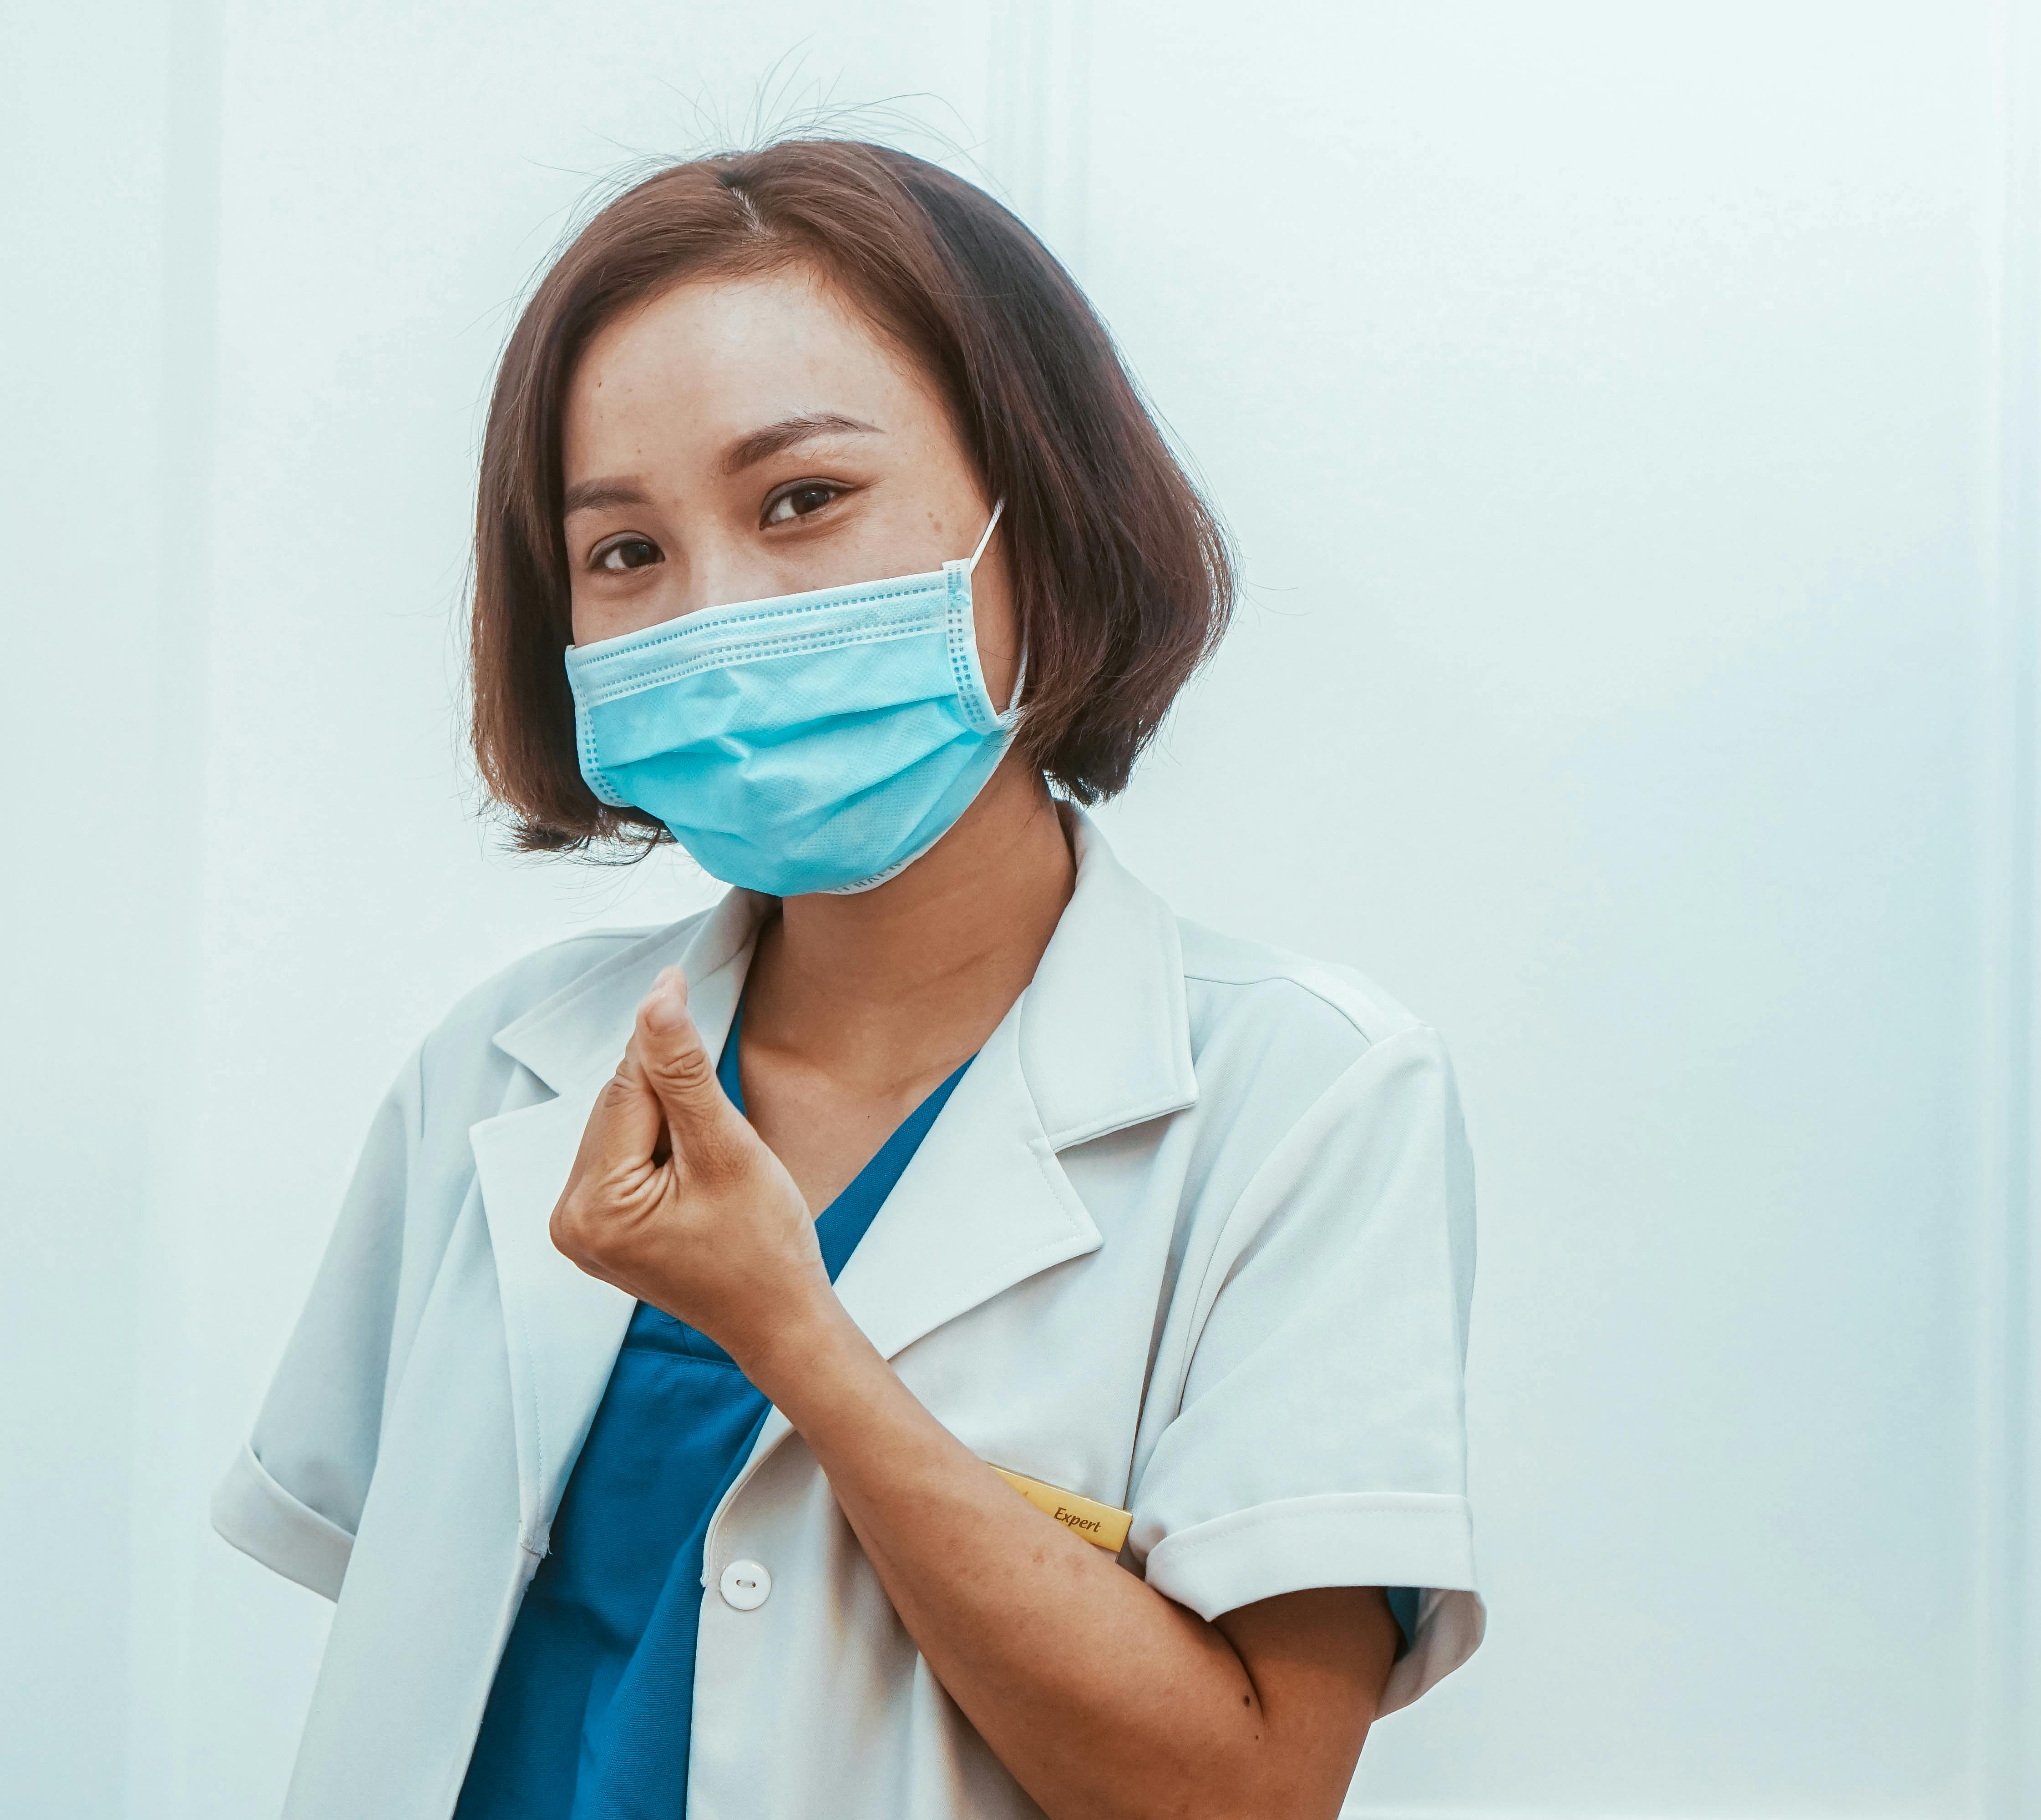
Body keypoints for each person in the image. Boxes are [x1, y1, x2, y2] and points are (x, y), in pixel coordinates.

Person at [211, 137, 1483, 1820]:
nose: (715, 616)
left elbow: (1245, 1792)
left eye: (802, 501)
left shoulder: (1304, 1100)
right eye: (624, 553)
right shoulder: (503, 1067)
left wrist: (790, 1333)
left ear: (1044, 509)